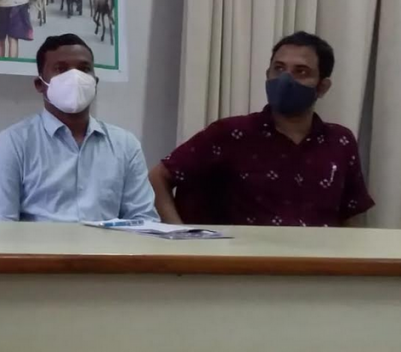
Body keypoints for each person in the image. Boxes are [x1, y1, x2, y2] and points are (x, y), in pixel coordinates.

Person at [150, 31, 374, 227]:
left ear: (322, 87)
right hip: (245, 259)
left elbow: (352, 213)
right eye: (279, 69)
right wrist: (179, 237)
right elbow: (158, 176)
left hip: (320, 259)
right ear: (268, 76)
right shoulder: (230, 134)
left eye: (301, 71)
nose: (285, 79)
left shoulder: (340, 141)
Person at [0, 34, 158, 222]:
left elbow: (144, 221)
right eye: (61, 69)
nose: (75, 77)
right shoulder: (12, 144)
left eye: (84, 69)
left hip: (106, 242)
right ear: (40, 84)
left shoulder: (126, 146)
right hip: (41, 242)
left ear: (95, 82)